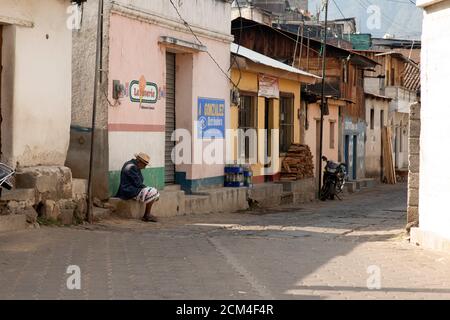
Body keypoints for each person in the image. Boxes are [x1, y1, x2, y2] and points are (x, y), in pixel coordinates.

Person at [116, 152, 160, 222]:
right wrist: (146, 188)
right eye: (144, 165)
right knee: (153, 191)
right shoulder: (132, 167)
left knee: (152, 191)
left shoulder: (133, 165)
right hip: (128, 190)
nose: (145, 167)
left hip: (131, 189)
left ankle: (147, 214)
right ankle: (147, 215)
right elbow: (138, 183)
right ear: (139, 162)